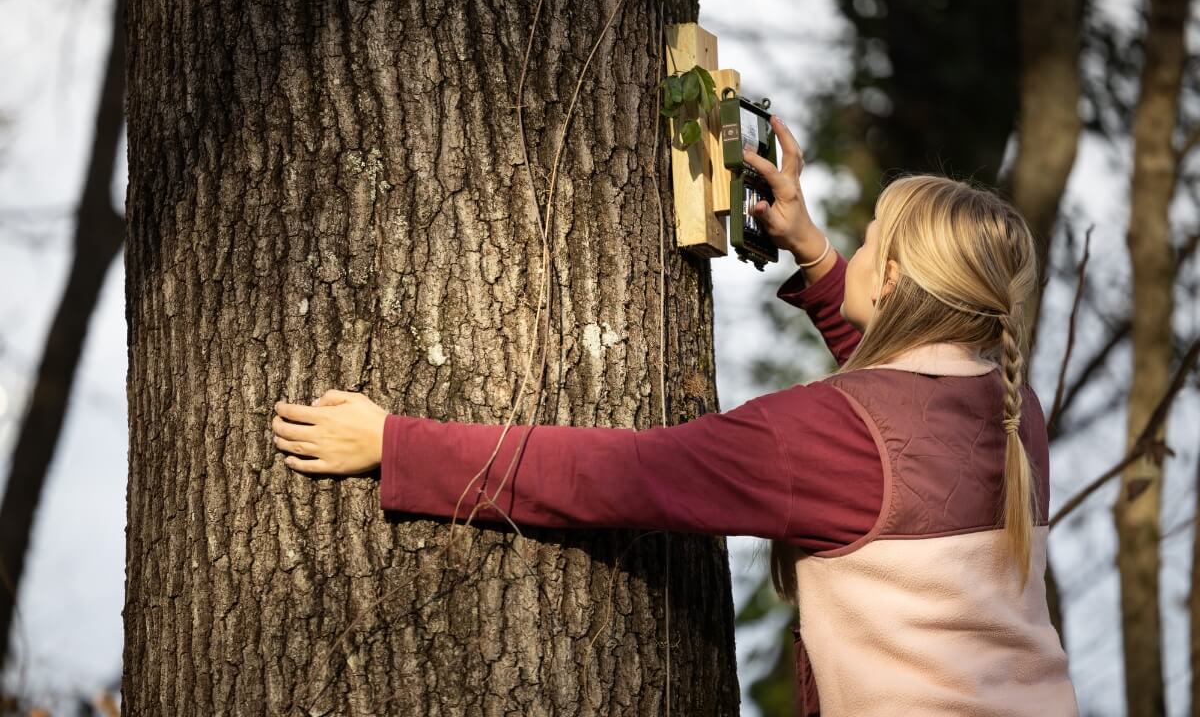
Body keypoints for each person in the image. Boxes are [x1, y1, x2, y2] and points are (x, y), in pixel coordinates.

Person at [271, 116, 1079, 716]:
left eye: (869, 245)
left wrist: (398, 444)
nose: (856, 251)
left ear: (896, 282)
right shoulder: (1012, 414)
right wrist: (820, 257)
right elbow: (904, 422)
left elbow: (610, 478)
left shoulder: (828, 435)